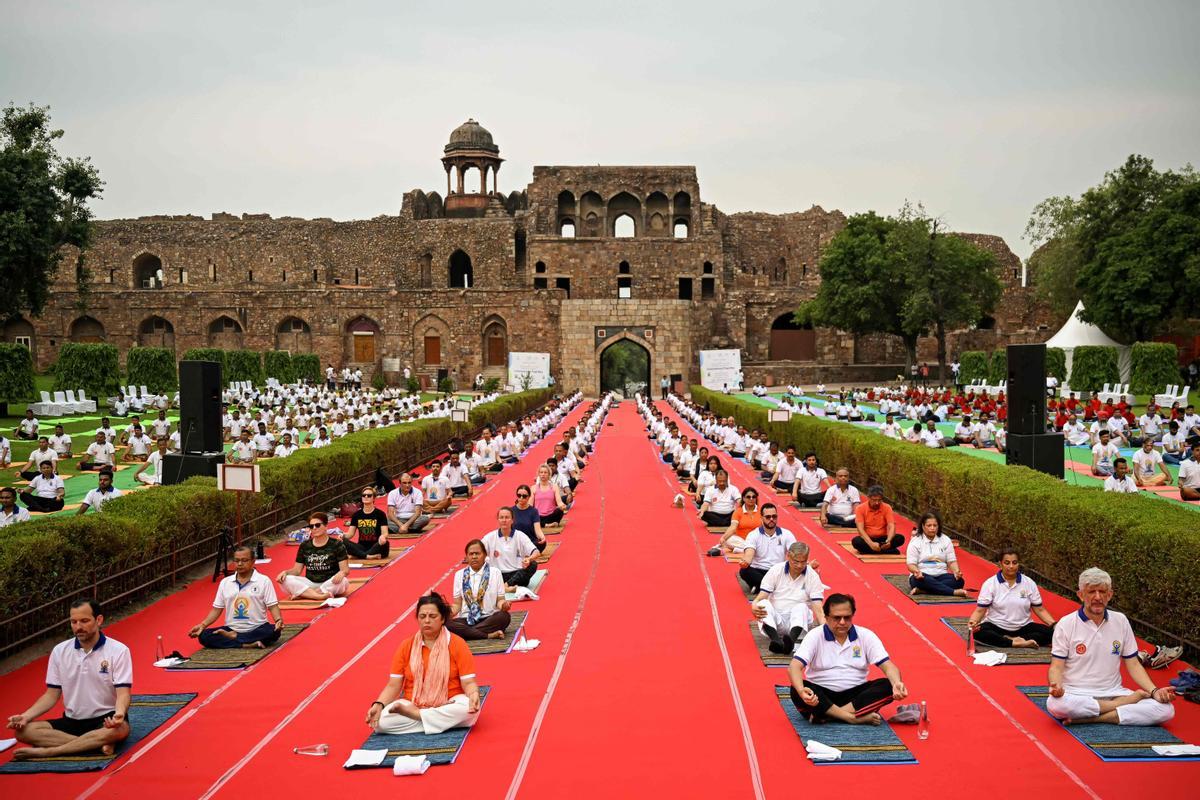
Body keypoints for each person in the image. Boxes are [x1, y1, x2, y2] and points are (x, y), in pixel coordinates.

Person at [1046, 567, 1175, 726]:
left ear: (1110, 595)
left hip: (1114, 692)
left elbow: (1133, 664)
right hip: (1077, 693)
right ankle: (1119, 707)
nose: (1098, 597)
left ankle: (1095, 718)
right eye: (1092, 592)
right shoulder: (1066, 624)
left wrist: (1155, 691)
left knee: (1166, 710)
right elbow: (1056, 667)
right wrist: (1057, 687)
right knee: (1056, 705)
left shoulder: (1120, 621)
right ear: (1081, 595)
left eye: (1102, 591)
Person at [6, 598, 131, 761]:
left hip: (105, 720)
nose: (78, 627)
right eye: (74, 622)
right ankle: (93, 746)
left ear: (99, 620)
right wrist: (26, 716)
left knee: (120, 730)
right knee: (23, 732)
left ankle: (49, 752)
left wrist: (119, 714)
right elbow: (51, 695)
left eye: (84, 621)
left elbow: (123, 693)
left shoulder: (119, 650)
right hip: (71, 722)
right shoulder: (59, 651)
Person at [365, 592, 481, 736]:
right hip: (413, 702)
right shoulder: (406, 646)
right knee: (380, 721)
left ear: (443, 619)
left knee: (468, 709)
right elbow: (393, 685)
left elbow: (468, 682)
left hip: (450, 700)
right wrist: (379, 704)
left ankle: (418, 716)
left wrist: (474, 693)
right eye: (422, 616)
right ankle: (436, 720)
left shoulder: (457, 644)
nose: (427, 621)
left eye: (432, 616)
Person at [788, 593, 908, 725]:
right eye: (836, 618)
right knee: (796, 689)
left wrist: (897, 683)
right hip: (822, 695)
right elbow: (794, 666)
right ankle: (851, 717)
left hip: (855, 697)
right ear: (826, 617)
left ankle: (828, 716)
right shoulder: (815, 636)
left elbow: (888, 666)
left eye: (847, 617)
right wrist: (801, 690)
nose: (842, 622)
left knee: (888, 685)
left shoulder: (866, 635)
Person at [189, 546, 284, 648]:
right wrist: (202, 625)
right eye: (237, 561)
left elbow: (273, 606)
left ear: (253, 561)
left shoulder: (264, 581)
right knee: (204, 636)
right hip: (231, 629)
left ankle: (236, 638)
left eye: (244, 560)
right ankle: (245, 643)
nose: (239, 564)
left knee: (272, 631)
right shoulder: (225, 582)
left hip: (257, 628)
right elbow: (217, 609)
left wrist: (278, 621)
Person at [967, 547, 1056, 648]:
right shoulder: (990, 584)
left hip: (1023, 627)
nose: (1011, 566)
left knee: (1053, 634)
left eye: (1014, 562)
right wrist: (973, 622)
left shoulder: (1029, 583)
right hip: (997, 626)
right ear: (1000, 564)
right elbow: (980, 610)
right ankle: (1016, 642)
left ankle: (1009, 640)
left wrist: (1054, 625)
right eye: (1007, 563)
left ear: (1018, 564)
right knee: (978, 632)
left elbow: (1039, 609)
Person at [752, 541, 825, 653]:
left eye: (803, 562)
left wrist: (827, 630)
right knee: (762, 604)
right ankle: (776, 640)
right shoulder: (776, 570)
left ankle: (790, 641)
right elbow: (762, 596)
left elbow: (818, 608)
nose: (800, 566)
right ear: (788, 556)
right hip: (777, 621)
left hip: (799, 624)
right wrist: (754, 604)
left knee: (801, 607)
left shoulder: (812, 576)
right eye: (796, 562)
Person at [448, 540, 513, 640]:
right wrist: (447, 613)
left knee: (504, 617)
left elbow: (500, 600)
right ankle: (487, 635)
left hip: (488, 618)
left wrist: (504, 605)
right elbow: (457, 605)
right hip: (466, 619)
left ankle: (468, 633)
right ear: (467, 556)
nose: (474, 556)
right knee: (446, 624)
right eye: (471, 554)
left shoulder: (495, 572)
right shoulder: (459, 575)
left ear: (485, 555)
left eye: (477, 553)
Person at [276, 512, 350, 601]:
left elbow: (345, 570)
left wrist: (341, 573)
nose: (314, 528)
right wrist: (285, 572)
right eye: (311, 526)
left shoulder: (337, 544)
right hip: (310, 582)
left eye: (317, 525)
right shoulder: (304, 545)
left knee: (343, 581)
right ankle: (318, 595)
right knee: (285, 580)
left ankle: (306, 594)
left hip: (330, 582)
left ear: (326, 526)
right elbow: (297, 570)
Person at [736, 503, 796, 595]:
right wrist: (745, 562)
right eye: (768, 517)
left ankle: (761, 588)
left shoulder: (787, 534)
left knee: (795, 569)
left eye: (774, 516)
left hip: (778, 571)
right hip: (758, 571)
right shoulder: (753, 535)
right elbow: (749, 554)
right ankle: (774, 588)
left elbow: (795, 552)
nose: (771, 519)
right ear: (761, 518)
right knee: (744, 571)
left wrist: (806, 564)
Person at [905, 511, 965, 596]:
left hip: (941, 575)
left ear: (938, 526)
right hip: (923, 576)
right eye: (929, 525)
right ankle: (953, 592)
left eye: (935, 525)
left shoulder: (945, 540)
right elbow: (911, 564)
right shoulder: (915, 541)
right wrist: (917, 571)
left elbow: (951, 561)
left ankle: (924, 591)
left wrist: (956, 571)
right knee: (920, 581)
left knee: (959, 582)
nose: (932, 528)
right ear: (923, 526)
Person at [481, 507, 539, 590]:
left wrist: (529, 559)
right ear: (498, 520)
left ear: (512, 520)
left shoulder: (520, 535)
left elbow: (536, 552)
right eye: (501, 517)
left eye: (507, 517)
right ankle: (507, 588)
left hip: (517, 575)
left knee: (533, 564)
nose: (504, 520)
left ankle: (505, 586)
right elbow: (478, 549)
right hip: (498, 575)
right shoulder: (489, 537)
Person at [848, 485, 903, 555]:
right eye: (874, 500)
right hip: (868, 538)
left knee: (900, 538)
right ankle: (887, 551)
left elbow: (891, 526)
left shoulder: (887, 507)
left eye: (879, 500)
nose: (877, 503)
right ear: (868, 498)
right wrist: (871, 543)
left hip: (883, 539)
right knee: (856, 542)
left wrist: (888, 540)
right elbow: (860, 529)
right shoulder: (860, 508)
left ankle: (872, 551)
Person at [346, 487, 390, 559]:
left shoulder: (380, 514)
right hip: (361, 547)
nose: (366, 497)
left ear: (374, 498)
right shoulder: (356, 515)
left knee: (385, 543)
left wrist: (383, 537)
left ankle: (358, 555)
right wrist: (342, 536)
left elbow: (385, 533)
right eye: (364, 495)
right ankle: (367, 556)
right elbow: (350, 534)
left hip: (376, 545)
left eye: (369, 495)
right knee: (342, 542)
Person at [715, 487, 762, 554]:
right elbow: (733, 528)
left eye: (753, 497)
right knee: (729, 540)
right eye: (748, 497)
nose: (751, 499)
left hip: (757, 540)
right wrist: (723, 538)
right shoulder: (738, 512)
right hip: (742, 540)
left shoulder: (761, 511)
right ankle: (752, 550)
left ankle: (743, 550)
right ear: (743, 498)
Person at [510, 484, 547, 552]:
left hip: (530, 542)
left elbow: (537, 529)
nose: (521, 498)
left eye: (524, 496)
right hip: (515, 542)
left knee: (542, 543)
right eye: (519, 495)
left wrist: (542, 537)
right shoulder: (511, 511)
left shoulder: (534, 511)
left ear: (529, 497)